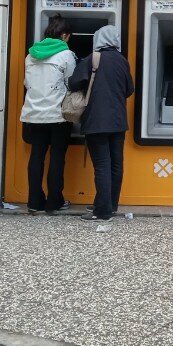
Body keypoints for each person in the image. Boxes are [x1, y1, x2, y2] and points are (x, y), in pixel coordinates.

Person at [68, 25, 134, 232]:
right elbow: (129, 89)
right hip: (118, 120)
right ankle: (110, 205)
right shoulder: (122, 61)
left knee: (102, 165)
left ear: (98, 39)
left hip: (97, 120)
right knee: (116, 164)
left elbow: (73, 83)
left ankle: (102, 211)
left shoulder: (92, 59)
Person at [19, 14, 76, 214]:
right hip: (58, 114)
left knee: (37, 156)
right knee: (57, 157)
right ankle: (54, 202)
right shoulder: (66, 54)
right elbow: (71, 83)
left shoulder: (31, 55)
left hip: (34, 113)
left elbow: (27, 83)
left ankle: (34, 202)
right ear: (65, 35)